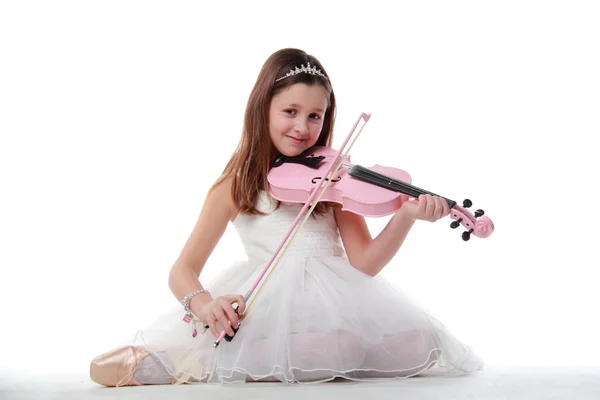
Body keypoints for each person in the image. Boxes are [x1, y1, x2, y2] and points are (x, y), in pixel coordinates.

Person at [89, 48, 483, 386]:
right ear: (263, 109)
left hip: (337, 303)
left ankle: (267, 359)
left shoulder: (334, 179)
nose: (302, 126)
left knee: (420, 342)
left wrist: (405, 217)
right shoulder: (236, 184)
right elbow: (183, 270)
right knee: (339, 347)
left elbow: (363, 263)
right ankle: (197, 360)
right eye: (290, 111)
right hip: (269, 302)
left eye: (315, 116)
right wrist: (206, 307)